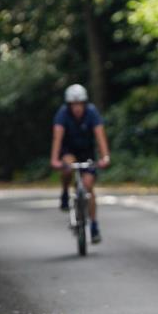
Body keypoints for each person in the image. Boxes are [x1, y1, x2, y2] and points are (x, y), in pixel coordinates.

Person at [50, 84, 111, 243]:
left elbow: (100, 135)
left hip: (87, 152)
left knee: (88, 186)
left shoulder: (92, 112)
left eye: (80, 104)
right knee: (67, 167)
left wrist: (105, 157)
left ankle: (94, 225)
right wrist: (55, 159)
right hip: (69, 151)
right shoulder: (63, 114)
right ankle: (64, 192)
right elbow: (57, 137)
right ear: (69, 105)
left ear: (84, 103)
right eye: (73, 105)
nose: (77, 108)